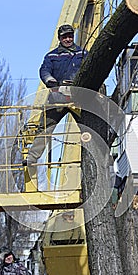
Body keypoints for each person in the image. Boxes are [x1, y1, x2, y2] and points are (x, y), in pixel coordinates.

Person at [23, 24, 87, 167]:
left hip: (78, 97)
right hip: (58, 97)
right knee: (45, 127)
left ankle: (101, 159)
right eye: (65, 37)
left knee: (90, 127)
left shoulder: (83, 54)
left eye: (70, 36)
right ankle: (32, 158)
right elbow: (44, 71)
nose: (68, 39)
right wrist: (50, 82)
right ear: (60, 38)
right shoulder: (51, 56)